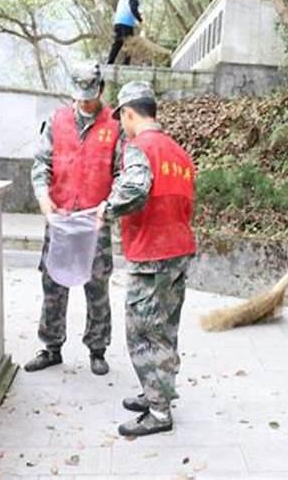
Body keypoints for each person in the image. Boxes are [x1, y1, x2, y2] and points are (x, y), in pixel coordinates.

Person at [99, 81, 196, 437]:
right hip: (177, 252)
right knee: (165, 329)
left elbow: (135, 189)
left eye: (121, 118)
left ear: (128, 113)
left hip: (151, 254)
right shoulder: (179, 152)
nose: (122, 125)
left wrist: (105, 208)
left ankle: (158, 413)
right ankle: (158, 393)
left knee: (142, 333)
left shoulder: (139, 148)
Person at [25, 62, 121, 375]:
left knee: (97, 285)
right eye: (79, 97)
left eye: (90, 97)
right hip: (61, 216)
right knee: (53, 282)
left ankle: (97, 348)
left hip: (95, 220)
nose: (84, 103)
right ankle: (51, 346)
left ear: (101, 91)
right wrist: (43, 197)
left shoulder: (115, 125)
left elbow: (121, 173)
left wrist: (109, 205)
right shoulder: (57, 120)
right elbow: (41, 164)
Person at [107, 0, 145, 65]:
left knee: (117, 43)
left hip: (117, 23)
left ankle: (110, 63)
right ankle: (126, 64)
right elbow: (133, 9)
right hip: (126, 24)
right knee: (130, 44)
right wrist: (140, 20)